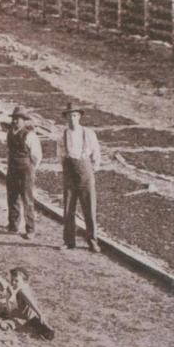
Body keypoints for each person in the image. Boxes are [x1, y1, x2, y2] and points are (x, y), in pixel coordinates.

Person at [56, 106, 101, 252]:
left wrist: (91, 170)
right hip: (69, 173)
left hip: (85, 172)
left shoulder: (88, 133)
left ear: (79, 117)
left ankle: (92, 241)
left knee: (89, 208)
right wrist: (67, 169)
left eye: (75, 115)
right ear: (66, 118)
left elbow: (96, 154)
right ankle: (69, 241)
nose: (72, 118)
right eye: (69, 116)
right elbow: (60, 155)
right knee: (68, 208)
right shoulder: (62, 135)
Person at [4, 106, 42, 239]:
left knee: (27, 199)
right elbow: (9, 151)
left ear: (24, 121)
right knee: (12, 197)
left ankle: (30, 229)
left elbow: (37, 156)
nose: (15, 121)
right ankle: (13, 226)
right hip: (12, 169)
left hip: (26, 170)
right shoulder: (10, 133)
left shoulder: (30, 135)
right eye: (14, 118)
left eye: (18, 119)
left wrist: (31, 169)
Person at [4, 267, 55, 340]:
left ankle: (46, 330)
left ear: (24, 281)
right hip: (26, 316)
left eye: (16, 281)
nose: (13, 282)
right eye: (12, 280)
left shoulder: (23, 290)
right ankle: (45, 330)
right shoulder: (19, 288)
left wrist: (40, 314)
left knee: (46, 332)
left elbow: (31, 302)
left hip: (29, 317)